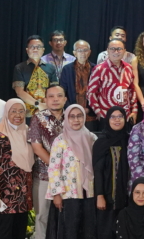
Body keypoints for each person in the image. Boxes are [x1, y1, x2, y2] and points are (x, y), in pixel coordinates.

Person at [0, 99, 34, 239]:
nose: (17, 115)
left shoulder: (27, 132)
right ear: (6, 113)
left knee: (19, 229)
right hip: (5, 192)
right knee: (4, 230)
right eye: (13, 111)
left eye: (21, 111)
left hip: (22, 192)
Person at [47, 105, 100, 239]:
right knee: (70, 230)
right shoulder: (60, 140)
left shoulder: (92, 138)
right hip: (68, 194)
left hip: (90, 193)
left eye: (79, 116)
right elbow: (54, 169)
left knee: (89, 230)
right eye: (72, 116)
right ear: (66, 118)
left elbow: (98, 166)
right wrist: (57, 194)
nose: (76, 120)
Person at [27, 85, 67, 239]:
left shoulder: (72, 117)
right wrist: (57, 168)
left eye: (59, 96)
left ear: (65, 99)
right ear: (45, 99)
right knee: (42, 217)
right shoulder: (38, 118)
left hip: (68, 177)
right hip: (43, 176)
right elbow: (37, 148)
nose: (55, 99)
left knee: (65, 217)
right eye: (51, 96)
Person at [95, 106, 134, 239]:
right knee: (105, 231)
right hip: (107, 197)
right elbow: (98, 171)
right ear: (107, 119)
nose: (117, 120)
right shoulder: (101, 142)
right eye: (113, 117)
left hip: (126, 197)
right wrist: (99, 195)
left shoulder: (130, 140)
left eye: (120, 116)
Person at [89, 37, 140, 122]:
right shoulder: (99, 69)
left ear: (124, 51)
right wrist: (98, 112)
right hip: (106, 116)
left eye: (119, 49)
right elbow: (91, 93)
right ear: (107, 50)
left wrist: (134, 111)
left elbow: (132, 91)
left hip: (125, 117)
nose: (116, 52)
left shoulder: (129, 68)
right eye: (112, 49)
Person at [13, 37, 59, 112]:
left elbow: (54, 90)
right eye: (32, 47)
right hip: (25, 111)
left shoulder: (51, 68)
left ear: (43, 50)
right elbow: (19, 92)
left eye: (38, 47)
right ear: (27, 50)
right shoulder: (20, 68)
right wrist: (38, 104)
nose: (35, 49)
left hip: (47, 109)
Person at [59, 41, 94, 125]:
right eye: (79, 50)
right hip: (71, 114)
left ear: (89, 52)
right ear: (74, 53)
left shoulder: (96, 69)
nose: (83, 53)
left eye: (85, 50)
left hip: (91, 115)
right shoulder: (67, 69)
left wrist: (89, 109)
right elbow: (62, 92)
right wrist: (72, 109)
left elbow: (99, 93)